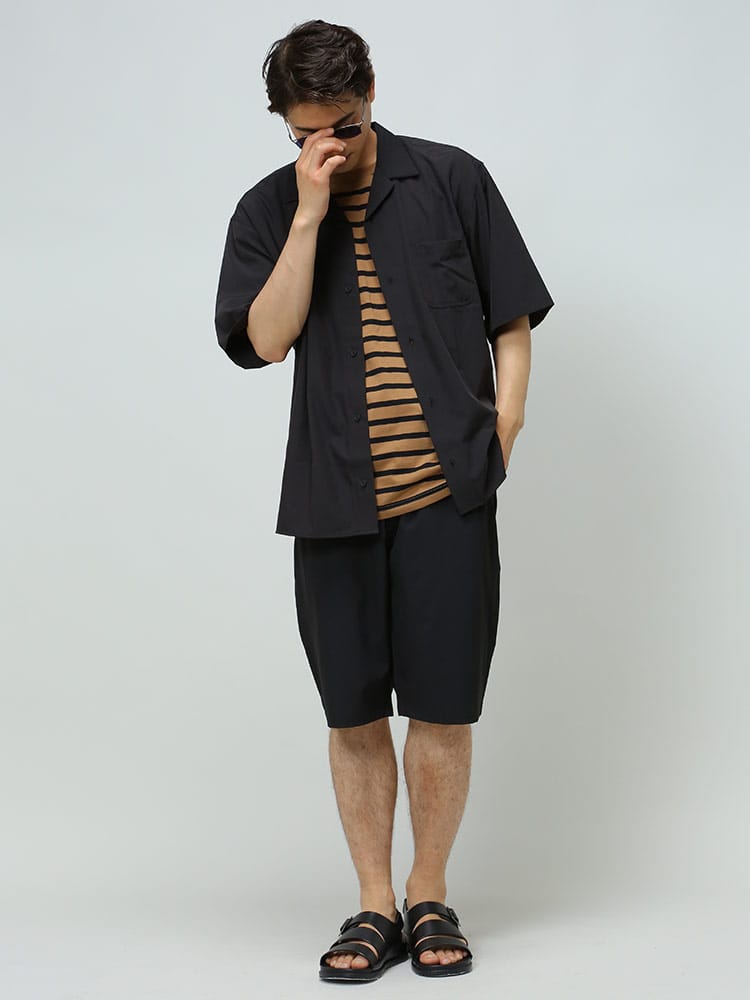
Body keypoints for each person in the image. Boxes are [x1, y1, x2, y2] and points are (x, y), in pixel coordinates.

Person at [214, 18, 554, 983]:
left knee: (443, 708)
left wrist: (504, 430)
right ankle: (373, 903)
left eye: (346, 125)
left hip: (448, 496)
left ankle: (429, 890)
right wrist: (309, 212)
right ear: (285, 125)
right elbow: (265, 340)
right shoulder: (266, 209)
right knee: (354, 712)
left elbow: (512, 318)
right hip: (333, 501)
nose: (329, 144)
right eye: (305, 133)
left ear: (372, 92)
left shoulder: (451, 179)